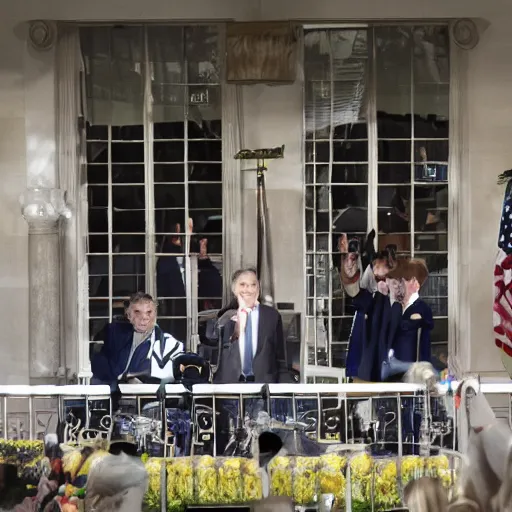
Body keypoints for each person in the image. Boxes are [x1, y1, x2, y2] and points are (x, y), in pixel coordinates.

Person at [91, 292, 184, 390]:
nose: (144, 317)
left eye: (149, 312)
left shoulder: (169, 343)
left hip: (148, 397)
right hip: (113, 394)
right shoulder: (114, 335)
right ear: (128, 315)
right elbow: (99, 366)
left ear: (155, 314)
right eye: (137, 312)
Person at [213, 268, 286, 384]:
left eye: (253, 285)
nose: (248, 289)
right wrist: (240, 318)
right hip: (230, 387)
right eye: (243, 284)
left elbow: (281, 358)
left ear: (258, 289)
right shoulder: (225, 316)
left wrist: (281, 389)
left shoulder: (272, 316)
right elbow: (216, 345)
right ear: (234, 289)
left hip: (263, 387)